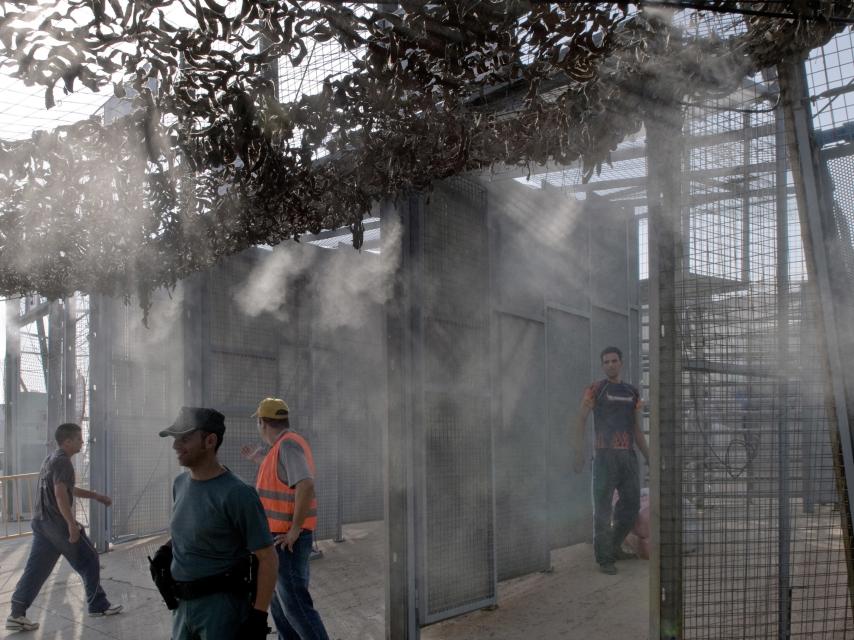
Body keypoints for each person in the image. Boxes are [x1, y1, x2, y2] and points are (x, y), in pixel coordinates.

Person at [159, 406, 278, 640]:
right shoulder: (180, 484)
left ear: (210, 441)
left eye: (184, 439)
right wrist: (169, 549)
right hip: (181, 607)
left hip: (221, 609)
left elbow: (268, 558)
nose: (175, 446)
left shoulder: (238, 494)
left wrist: (258, 616)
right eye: (175, 439)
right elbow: (200, 527)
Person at [6, 423, 122, 632]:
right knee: (89, 559)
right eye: (79, 439)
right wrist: (71, 524)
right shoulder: (63, 463)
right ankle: (98, 605)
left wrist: (96, 496)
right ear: (67, 441)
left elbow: (69, 489)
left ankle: (16, 613)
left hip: (42, 523)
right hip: (57, 525)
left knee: (37, 570)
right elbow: (60, 494)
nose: (82, 442)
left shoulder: (51, 459)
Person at [251, 397, 330, 640]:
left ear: (263, 422)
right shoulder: (281, 448)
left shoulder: (288, 445)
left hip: (288, 540)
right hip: (276, 539)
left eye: (258, 422)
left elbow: (305, 484)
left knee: (295, 606)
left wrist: (295, 530)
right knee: (280, 606)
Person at [574, 346, 650, 575]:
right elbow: (580, 420)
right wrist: (578, 452)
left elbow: (637, 428)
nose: (610, 365)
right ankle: (604, 558)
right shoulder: (595, 390)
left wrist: (649, 457)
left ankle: (614, 546)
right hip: (604, 457)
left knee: (631, 505)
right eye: (606, 362)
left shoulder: (632, 393)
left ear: (621, 362)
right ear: (602, 365)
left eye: (614, 361)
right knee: (603, 509)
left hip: (627, 457)